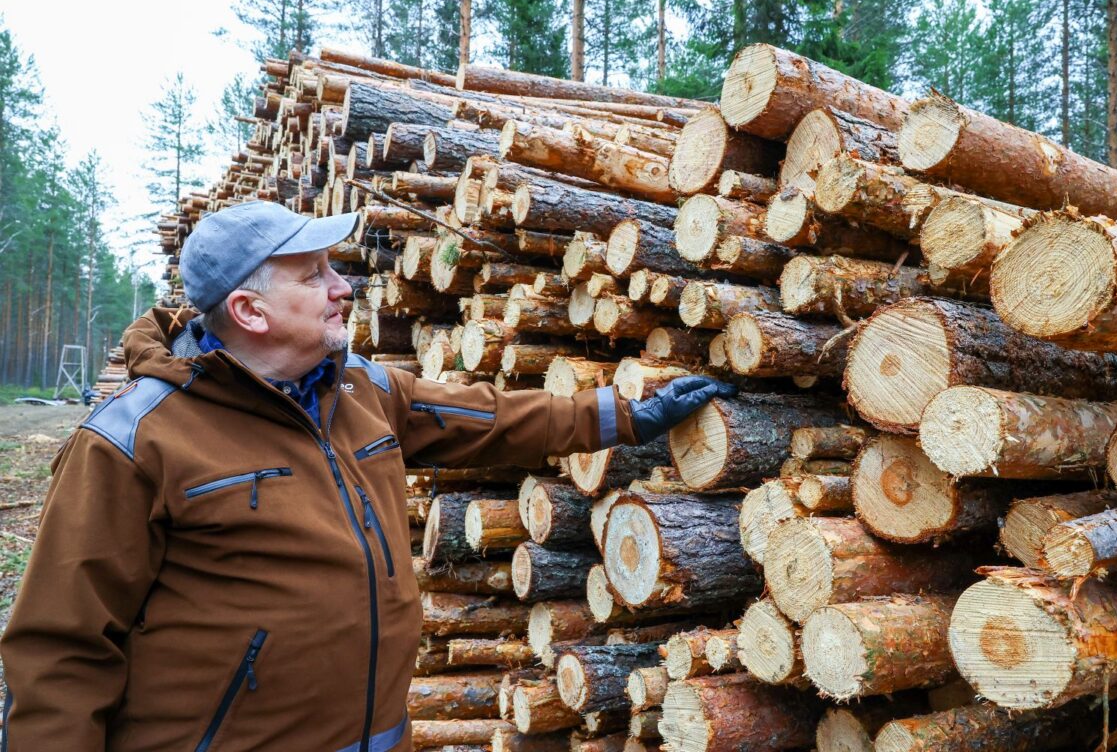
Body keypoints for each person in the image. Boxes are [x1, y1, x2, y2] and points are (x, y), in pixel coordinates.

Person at [0, 201, 735, 751]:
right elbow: (61, 650)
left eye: (334, 268)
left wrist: (630, 418)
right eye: (312, 274)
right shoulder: (135, 440)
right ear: (249, 309)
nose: (341, 286)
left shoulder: (358, 389)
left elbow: (496, 418)